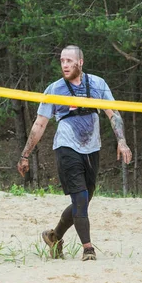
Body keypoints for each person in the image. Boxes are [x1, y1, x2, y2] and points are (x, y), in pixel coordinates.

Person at [17, 45, 132, 261]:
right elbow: (39, 124)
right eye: (62, 61)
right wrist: (25, 155)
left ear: (80, 62)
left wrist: (122, 141)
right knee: (79, 197)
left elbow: (113, 114)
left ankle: (55, 236)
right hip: (66, 146)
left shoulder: (98, 84)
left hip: (92, 147)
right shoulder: (54, 89)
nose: (65, 65)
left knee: (84, 200)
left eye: (69, 61)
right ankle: (88, 249)